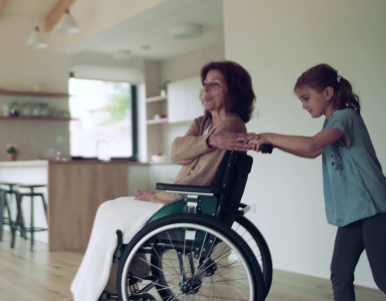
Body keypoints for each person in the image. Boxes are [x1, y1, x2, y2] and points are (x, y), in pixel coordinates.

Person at [66, 60, 257, 301]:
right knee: (115, 211)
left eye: (215, 84)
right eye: (205, 84)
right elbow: (176, 152)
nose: (206, 89)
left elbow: (200, 182)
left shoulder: (229, 125)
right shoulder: (204, 123)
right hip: (182, 200)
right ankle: (121, 277)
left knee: (109, 209)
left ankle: (92, 291)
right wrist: (208, 141)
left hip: (186, 204)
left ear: (234, 91)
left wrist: (158, 196)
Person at [249, 63, 386, 300]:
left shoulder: (346, 117)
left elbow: (312, 144)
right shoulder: (329, 123)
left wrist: (269, 135)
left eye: (306, 98)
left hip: (374, 208)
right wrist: (275, 144)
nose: (303, 105)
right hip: (353, 211)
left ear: (328, 93)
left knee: (383, 277)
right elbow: (312, 152)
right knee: (340, 274)